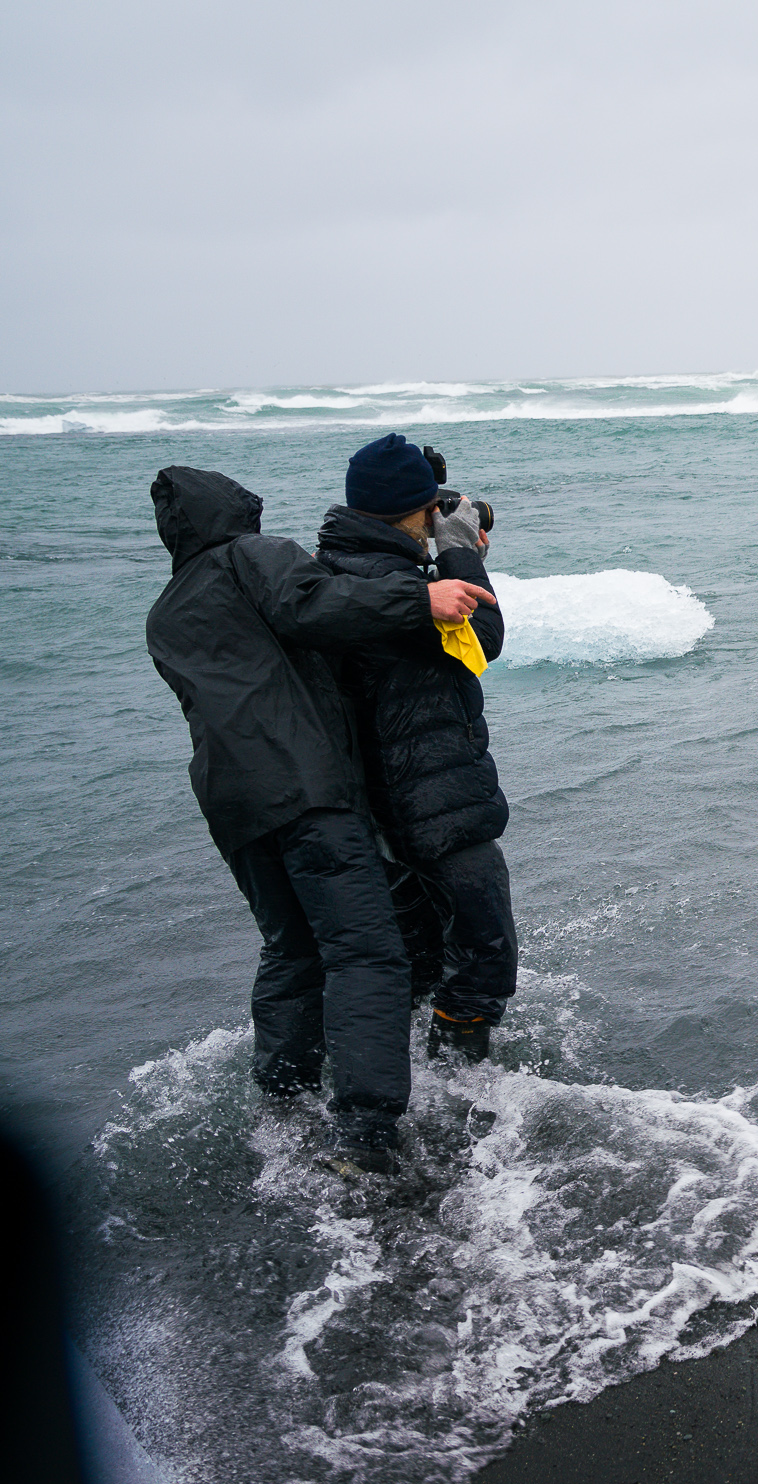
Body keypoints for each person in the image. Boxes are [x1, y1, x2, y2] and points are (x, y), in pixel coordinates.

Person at [145, 465, 494, 1174]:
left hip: (232, 803)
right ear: (232, 510)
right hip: (307, 788)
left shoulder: (166, 610)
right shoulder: (255, 555)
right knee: (366, 952)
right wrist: (420, 597)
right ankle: (364, 1135)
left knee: (292, 949)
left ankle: (282, 1101)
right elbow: (316, 606)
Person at [316, 434, 518, 1063]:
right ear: (416, 512)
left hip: (380, 802)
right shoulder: (404, 590)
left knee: (424, 944)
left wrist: (437, 547)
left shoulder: (344, 571)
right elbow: (483, 639)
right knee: (485, 946)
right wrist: (459, 551)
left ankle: (407, 1073)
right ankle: (462, 1078)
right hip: (432, 796)